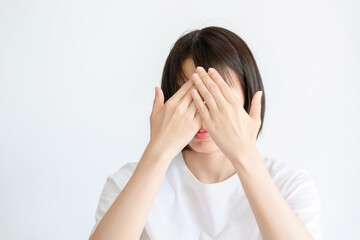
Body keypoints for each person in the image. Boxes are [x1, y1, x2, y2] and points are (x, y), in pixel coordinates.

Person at [89, 26, 323, 240]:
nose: (203, 109)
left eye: (216, 93)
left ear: (248, 96)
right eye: (188, 94)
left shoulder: (290, 186)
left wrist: (244, 154)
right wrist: (158, 152)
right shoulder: (125, 184)